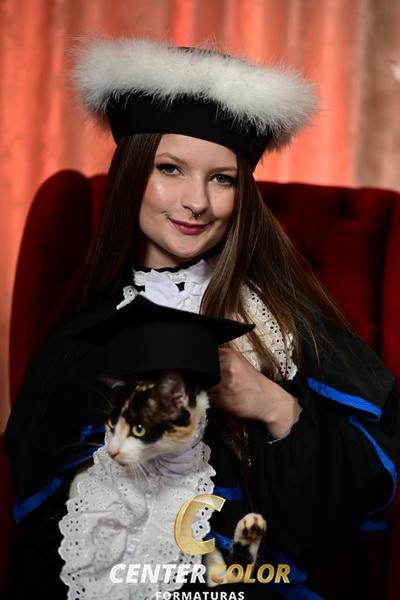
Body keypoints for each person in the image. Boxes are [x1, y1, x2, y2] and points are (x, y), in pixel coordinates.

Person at [4, 37, 400, 600]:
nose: (197, 201)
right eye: (170, 168)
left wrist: (272, 403)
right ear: (131, 174)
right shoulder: (76, 336)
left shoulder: (282, 319)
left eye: (222, 178)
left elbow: (338, 508)